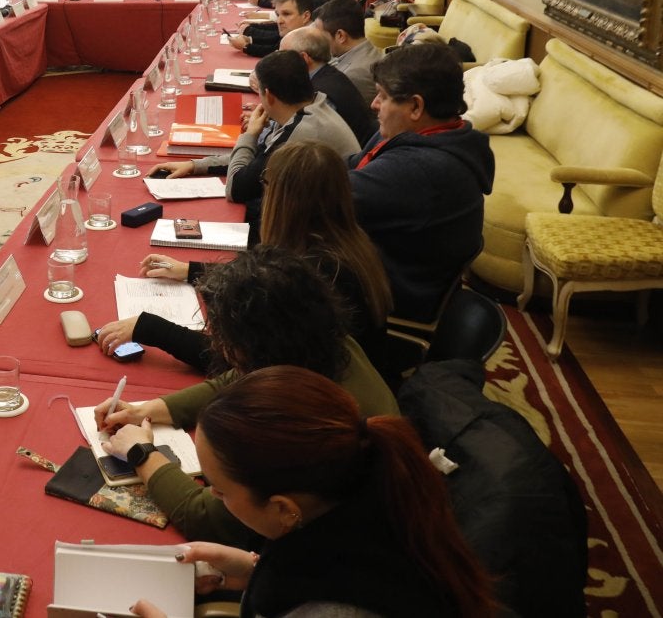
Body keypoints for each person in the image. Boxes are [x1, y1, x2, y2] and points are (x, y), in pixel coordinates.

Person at [127, 366, 495, 618]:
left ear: (284, 508)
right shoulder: (370, 502)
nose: (214, 498)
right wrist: (252, 568)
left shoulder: (337, 609)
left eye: (220, 491)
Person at [96, 247, 399, 545]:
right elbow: (239, 378)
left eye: (224, 340)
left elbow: (207, 517)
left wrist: (142, 454)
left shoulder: (299, 425)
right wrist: (148, 410)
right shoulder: (327, 344)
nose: (220, 347)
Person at [113, 142, 392, 373]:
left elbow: (242, 363)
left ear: (284, 199)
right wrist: (192, 270)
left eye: (266, 183)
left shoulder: (315, 272)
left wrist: (150, 328)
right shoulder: (346, 242)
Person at [351, 43, 495, 323]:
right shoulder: (431, 136)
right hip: (388, 265)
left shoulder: (419, 169)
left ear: (415, 106)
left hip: (389, 296)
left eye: (383, 96)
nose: (374, 104)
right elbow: (351, 164)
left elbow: (322, 195)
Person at [145, 51, 360, 235]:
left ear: (268, 95)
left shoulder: (302, 130)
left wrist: (250, 134)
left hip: (317, 230)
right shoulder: (310, 104)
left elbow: (236, 188)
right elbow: (259, 157)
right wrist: (195, 165)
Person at [281, 26, 377, 146]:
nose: (279, 62)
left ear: (303, 58)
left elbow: (304, 139)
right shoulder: (328, 74)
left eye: (283, 56)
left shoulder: (321, 95)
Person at [315, 0, 382, 105]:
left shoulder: (352, 75)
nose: (318, 41)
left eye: (321, 36)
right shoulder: (368, 50)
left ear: (340, 36)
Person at [229, 0, 315, 57]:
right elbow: (276, 40)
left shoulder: (307, 41)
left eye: (286, 14)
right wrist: (251, 40)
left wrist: (246, 46)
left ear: (306, 16)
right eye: (278, 15)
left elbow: (274, 51)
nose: (279, 21)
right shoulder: (296, 30)